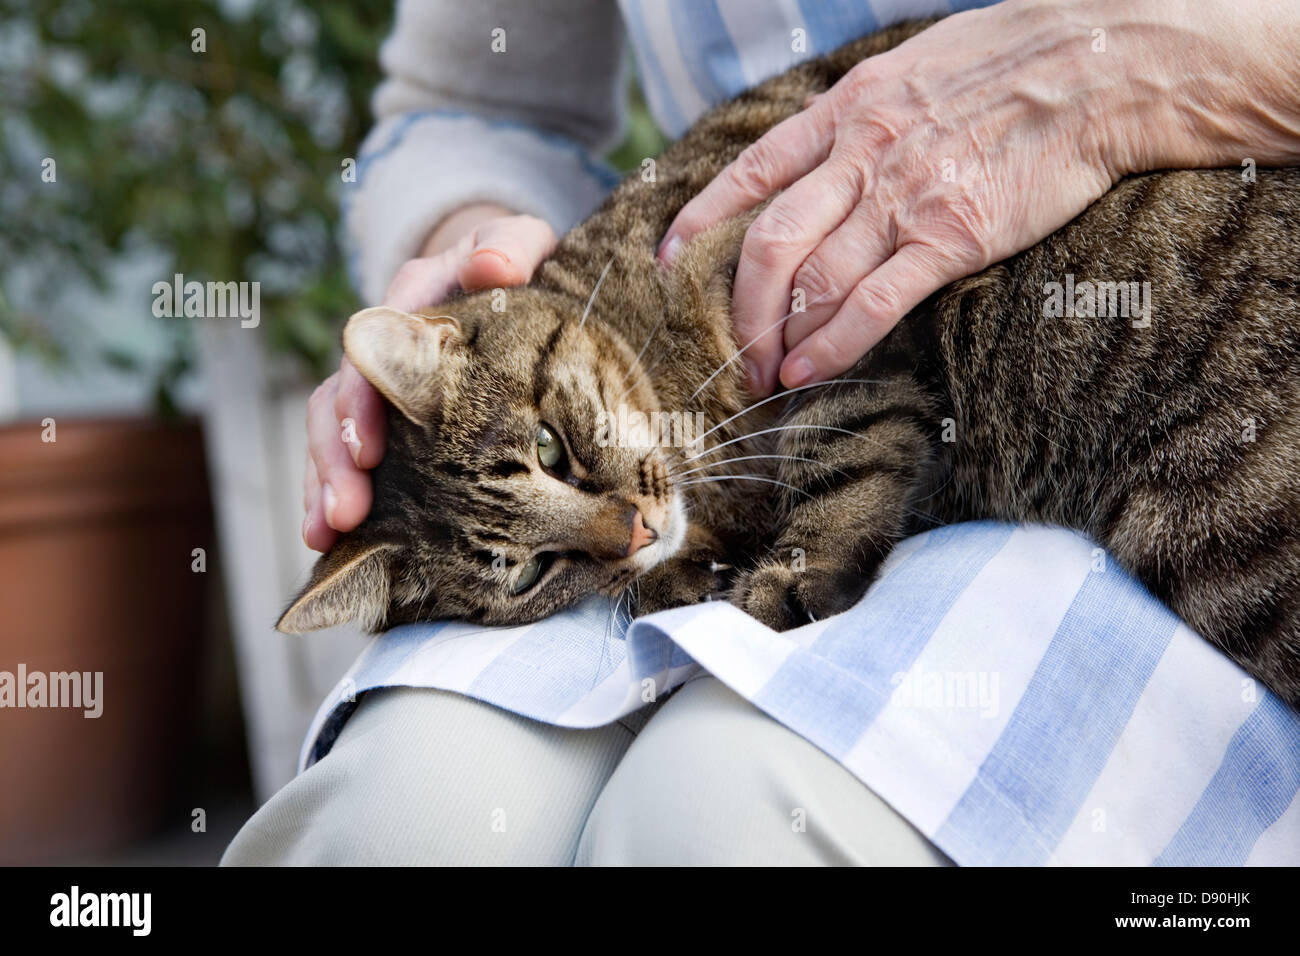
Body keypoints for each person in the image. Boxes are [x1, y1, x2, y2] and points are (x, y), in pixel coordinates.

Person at [227, 0, 1300, 865]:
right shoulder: (619, 412)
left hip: (1183, 271)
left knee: (719, 821)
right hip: (757, 423)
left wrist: (1147, 60)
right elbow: (471, 100)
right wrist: (468, 266)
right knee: (393, 827)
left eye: (554, 468)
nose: (614, 530)